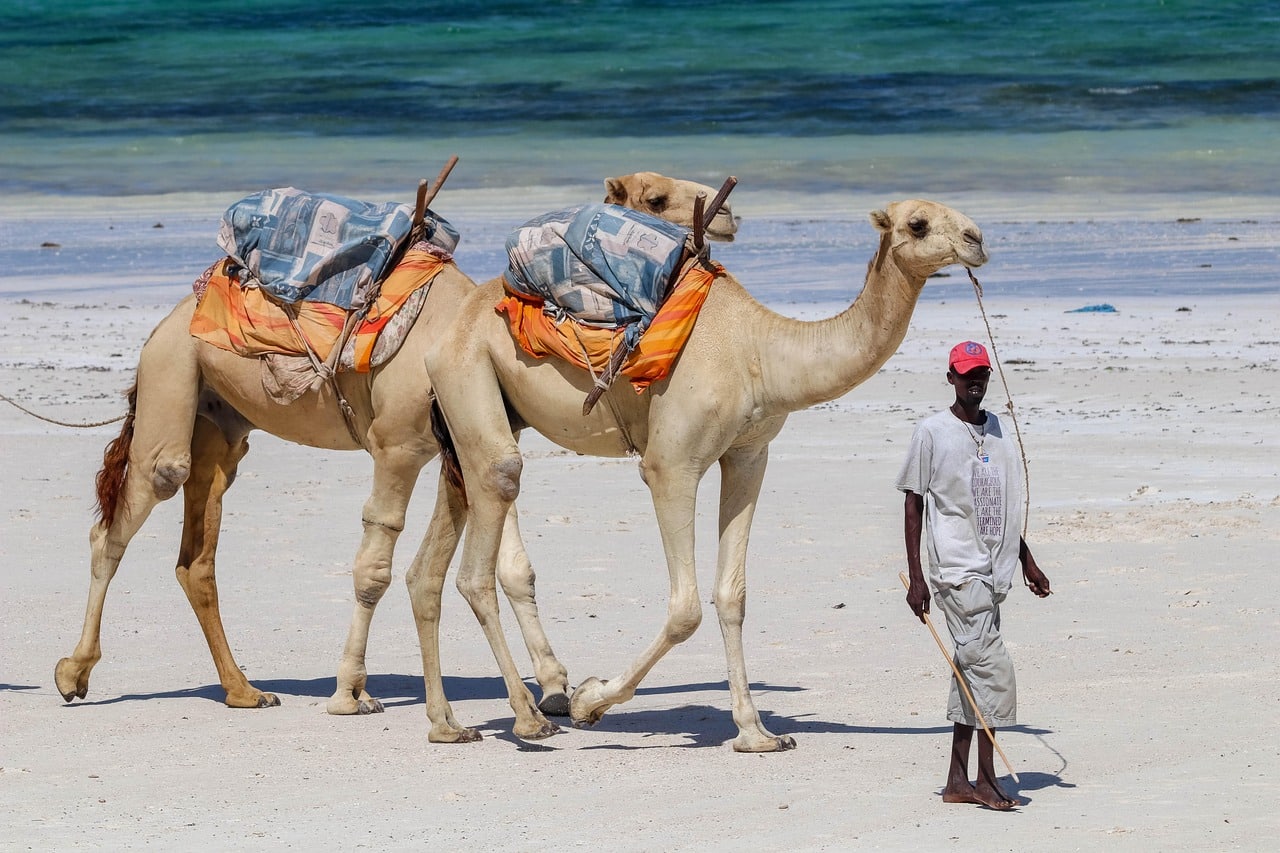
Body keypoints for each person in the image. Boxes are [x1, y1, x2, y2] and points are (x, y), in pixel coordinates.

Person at [897, 340, 1052, 810]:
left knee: (971, 673)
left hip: (994, 571)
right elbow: (912, 501)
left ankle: (956, 781)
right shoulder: (932, 432)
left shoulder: (998, 428)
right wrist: (917, 577)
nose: (975, 382)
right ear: (951, 378)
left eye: (981, 373)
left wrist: (1025, 559)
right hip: (956, 573)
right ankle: (986, 780)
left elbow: (1000, 508)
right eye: (966, 375)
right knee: (993, 672)